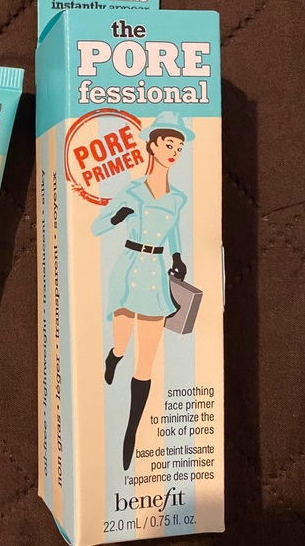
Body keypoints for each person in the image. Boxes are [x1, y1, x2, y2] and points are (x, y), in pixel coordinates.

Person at [91, 112, 194, 470]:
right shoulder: (132, 190)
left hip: (155, 276)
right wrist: (117, 216)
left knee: (146, 361)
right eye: (169, 145)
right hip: (128, 269)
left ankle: (131, 433)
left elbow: (174, 232)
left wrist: (177, 257)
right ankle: (113, 357)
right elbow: (97, 227)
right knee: (122, 342)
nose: (174, 152)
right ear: (152, 145)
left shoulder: (177, 198)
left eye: (179, 148)